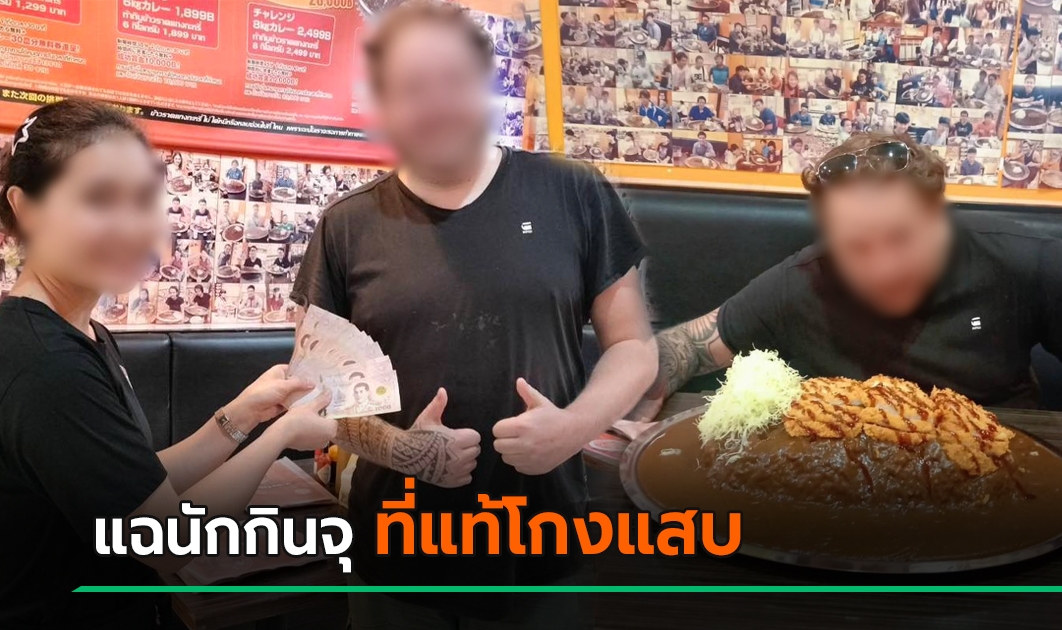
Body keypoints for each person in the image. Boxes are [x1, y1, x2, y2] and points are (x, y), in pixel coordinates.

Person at [291, 2, 656, 626]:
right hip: (394, 555)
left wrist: (571, 428)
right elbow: (312, 396)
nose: (436, 103)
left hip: (544, 544)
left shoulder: (575, 191)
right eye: (412, 86)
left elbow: (634, 346)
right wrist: (403, 451)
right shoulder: (347, 225)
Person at [624, 132, 1062, 487]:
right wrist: (620, 395)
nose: (881, 267)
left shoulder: (1023, 260)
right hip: (848, 485)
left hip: (999, 468)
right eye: (856, 247)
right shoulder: (803, 280)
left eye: (903, 238)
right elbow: (683, 347)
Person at [0, 99, 336, 628]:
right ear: (26, 208)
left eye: (143, 201)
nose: (132, 226)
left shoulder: (81, 332)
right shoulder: (46, 365)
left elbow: (139, 483)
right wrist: (282, 435)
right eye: (98, 199)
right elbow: (169, 539)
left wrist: (243, 414)